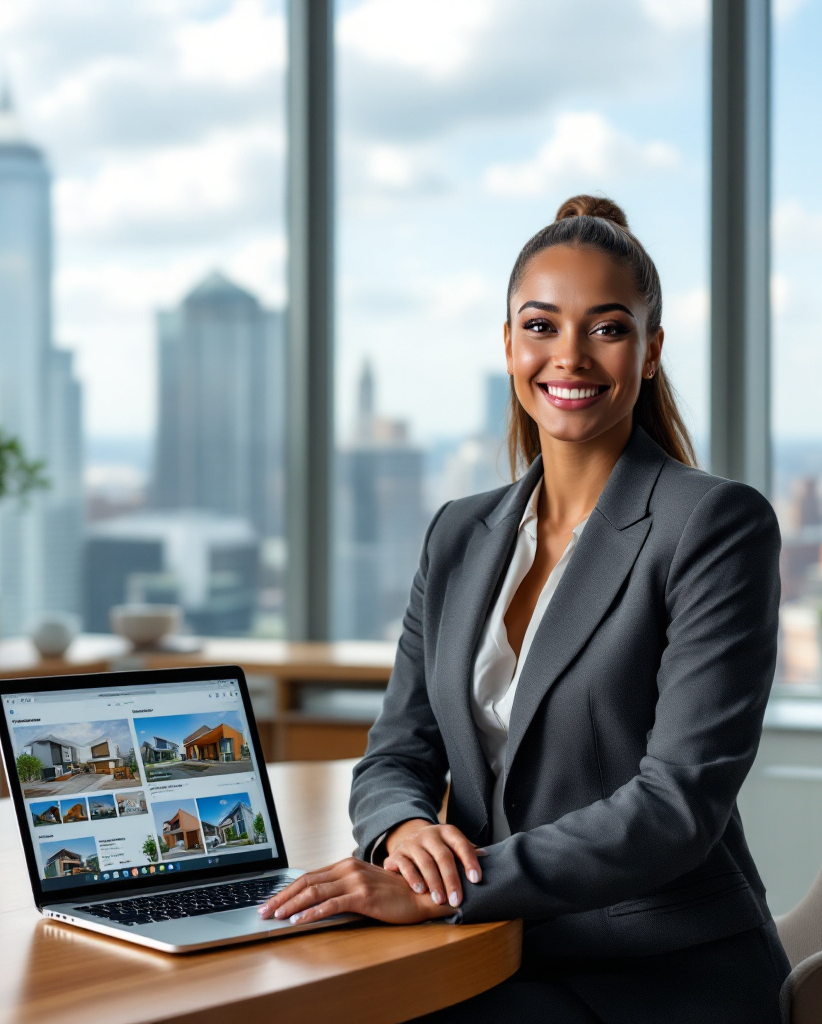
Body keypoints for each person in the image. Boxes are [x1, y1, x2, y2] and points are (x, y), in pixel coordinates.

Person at [259, 195, 791, 1023]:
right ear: (509, 345)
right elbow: (398, 749)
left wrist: (443, 892)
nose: (569, 356)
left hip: (657, 976)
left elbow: (677, 803)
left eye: (608, 328)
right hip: (484, 952)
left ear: (650, 352)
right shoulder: (459, 533)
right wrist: (401, 835)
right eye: (541, 326)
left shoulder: (713, 524)